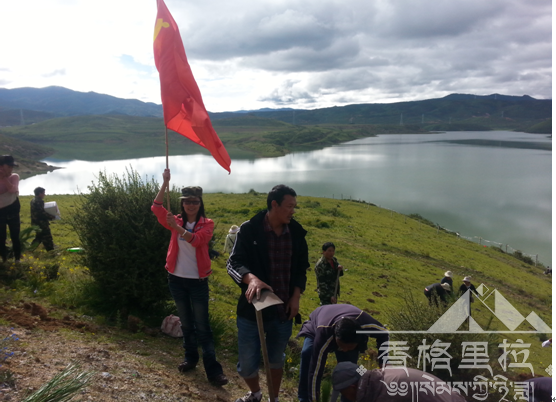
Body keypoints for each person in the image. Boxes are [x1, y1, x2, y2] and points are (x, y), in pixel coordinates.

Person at [227, 184, 309, 402]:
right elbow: (233, 263)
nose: (293, 211)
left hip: (283, 311)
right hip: (252, 311)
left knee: (275, 360)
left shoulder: (296, 233)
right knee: (246, 364)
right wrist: (251, 279)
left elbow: (301, 269)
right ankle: (255, 393)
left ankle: (274, 398)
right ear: (274, 204)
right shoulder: (250, 229)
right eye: (289, 206)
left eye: (294, 206)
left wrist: (295, 297)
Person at [151, 169, 228, 386]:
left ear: (200, 203)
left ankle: (213, 371)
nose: (190, 205)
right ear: (182, 203)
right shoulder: (174, 219)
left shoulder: (207, 224)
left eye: (194, 201)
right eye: (186, 201)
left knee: (203, 326)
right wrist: (165, 183)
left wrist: (177, 228)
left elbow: (198, 241)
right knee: (186, 324)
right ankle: (190, 359)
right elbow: (156, 207)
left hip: (198, 282)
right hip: (176, 279)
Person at [296, 304, 389, 402]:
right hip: (318, 323)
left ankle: (349, 399)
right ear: (335, 337)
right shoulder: (323, 332)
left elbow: (384, 333)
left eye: (349, 347)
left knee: (351, 372)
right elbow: (315, 371)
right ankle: (305, 398)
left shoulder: (365, 323)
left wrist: (383, 363)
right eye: (342, 346)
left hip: (347, 322)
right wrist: (314, 399)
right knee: (308, 353)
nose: (344, 350)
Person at [332, 361, 466, 402]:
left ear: (352, 387)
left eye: (344, 392)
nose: (345, 397)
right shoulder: (379, 379)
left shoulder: (386, 393)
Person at [0, 155, 21, 264]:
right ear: (1, 166)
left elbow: (13, 190)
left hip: (13, 210)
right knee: (1, 236)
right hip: (1, 211)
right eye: (9, 166)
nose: (11, 169)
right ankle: (4, 259)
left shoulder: (14, 176)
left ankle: (17, 258)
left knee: (15, 235)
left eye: (12, 166)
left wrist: (4, 179)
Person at [30, 187, 55, 251]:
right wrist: (51, 216)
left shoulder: (33, 200)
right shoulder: (39, 201)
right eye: (43, 193)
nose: (44, 194)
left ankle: (30, 249)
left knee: (39, 237)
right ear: (39, 193)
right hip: (41, 223)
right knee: (47, 237)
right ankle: (51, 251)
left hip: (35, 222)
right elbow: (41, 213)